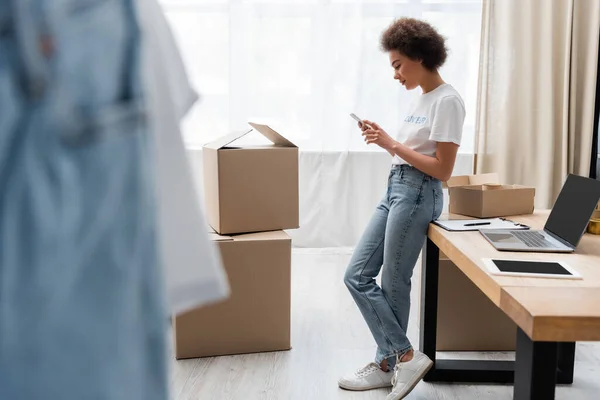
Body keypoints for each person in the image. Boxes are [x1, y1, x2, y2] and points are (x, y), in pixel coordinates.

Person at [338, 17, 465, 400]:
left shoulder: (448, 100)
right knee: (357, 274)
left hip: (418, 192)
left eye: (398, 64)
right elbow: (411, 151)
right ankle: (402, 356)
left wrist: (390, 144)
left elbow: (442, 169)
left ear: (420, 56)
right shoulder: (422, 99)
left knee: (394, 282)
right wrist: (388, 142)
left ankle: (389, 363)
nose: (395, 73)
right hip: (395, 187)